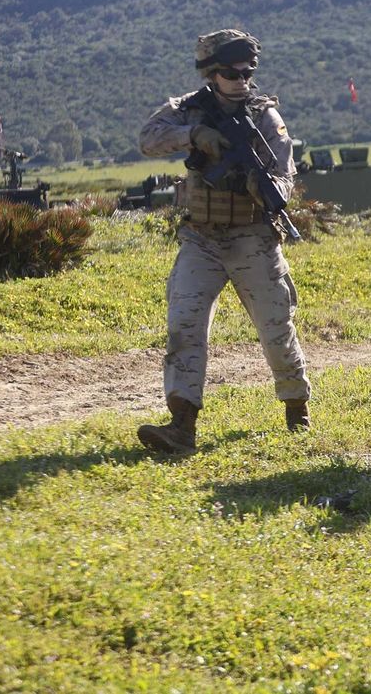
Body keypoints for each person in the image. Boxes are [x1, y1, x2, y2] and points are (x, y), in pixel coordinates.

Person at [136, 29, 312, 453]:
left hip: (252, 235)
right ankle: (182, 425)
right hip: (201, 238)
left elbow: (284, 176)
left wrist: (262, 184)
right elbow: (147, 139)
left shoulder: (265, 117)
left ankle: (296, 408)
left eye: (246, 71)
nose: (240, 79)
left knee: (275, 326)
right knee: (185, 325)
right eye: (230, 72)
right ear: (211, 73)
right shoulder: (187, 109)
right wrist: (193, 135)